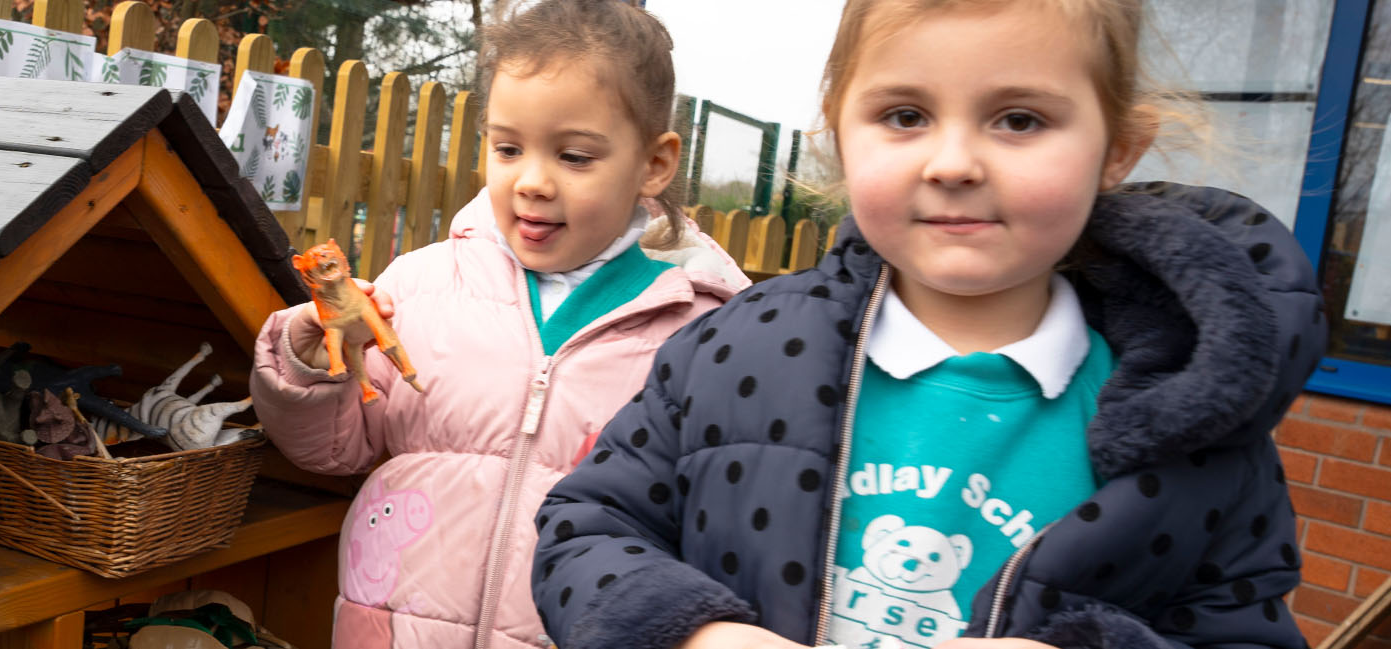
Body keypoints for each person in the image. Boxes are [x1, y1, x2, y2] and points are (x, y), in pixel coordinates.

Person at [531, 1, 1325, 648]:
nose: (953, 162)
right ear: (838, 134)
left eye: (1018, 120)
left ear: (1117, 148)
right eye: (906, 114)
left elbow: (1241, 627)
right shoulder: (732, 346)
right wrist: (694, 633)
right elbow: (585, 528)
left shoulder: (1193, 413)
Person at [248, 1, 752, 647]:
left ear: (654, 163)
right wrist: (309, 361)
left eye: (574, 157)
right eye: (508, 147)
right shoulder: (422, 285)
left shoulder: (704, 336)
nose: (532, 182)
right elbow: (333, 447)